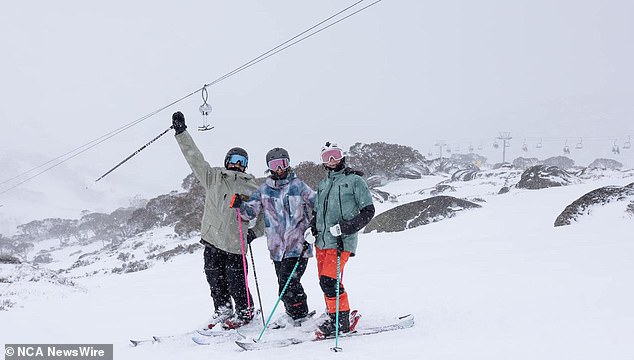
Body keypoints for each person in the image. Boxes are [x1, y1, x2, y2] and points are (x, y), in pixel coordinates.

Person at [171, 111, 264, 330]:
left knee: (236, 282)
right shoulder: (213, 177)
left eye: (242, 162)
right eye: (234, 160)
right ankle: (222, 309)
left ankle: (245, 310)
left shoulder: (252, 187)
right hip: (212, 239)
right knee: (215, 279)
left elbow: (265, 214)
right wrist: (181, 132)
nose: (238, 164)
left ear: (246, 165)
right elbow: (195, 158)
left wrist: (255, 232)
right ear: (227, 161)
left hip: (235, 243)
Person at [229, 147, 316, 328]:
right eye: (274, 165)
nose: (279, 168)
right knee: (284, 283)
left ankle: (300, 316)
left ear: (288, 164)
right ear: (269, 167)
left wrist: (314, 224)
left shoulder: (298, 186)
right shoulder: (264, 190)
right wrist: (240, 205)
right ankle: (292, 314)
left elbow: (317, 203)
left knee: (288, 282)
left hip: (298, 245)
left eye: (282, 163)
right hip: (277, 249)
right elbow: (250, 213)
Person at [312, 142, 375, 337]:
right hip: (321, 242)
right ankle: (334, 314)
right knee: (325, 282)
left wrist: (347, 227)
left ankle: (341, 321)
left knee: (329, 281)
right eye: (327, 157)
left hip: (341, 242)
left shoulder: (355, 181)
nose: (332, 160)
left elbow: (368, 211)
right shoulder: (323, 184)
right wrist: (312, 227)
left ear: (342, 156)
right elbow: (317, 211)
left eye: (335, 155)